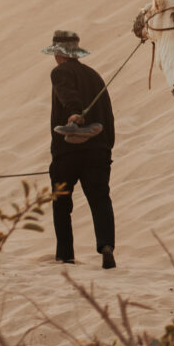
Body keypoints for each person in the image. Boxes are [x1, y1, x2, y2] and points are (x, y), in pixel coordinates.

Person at [43, 30, 117, 268]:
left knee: (61, 202)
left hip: (68, 152)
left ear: (58, 54)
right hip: (98, 151)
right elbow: (108, 115)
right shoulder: (94, 76)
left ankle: (66, 255)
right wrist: (106, 149)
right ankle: (106, 246)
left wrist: (75, 111)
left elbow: (67, 94)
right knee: (100, 199)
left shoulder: (59, 72)